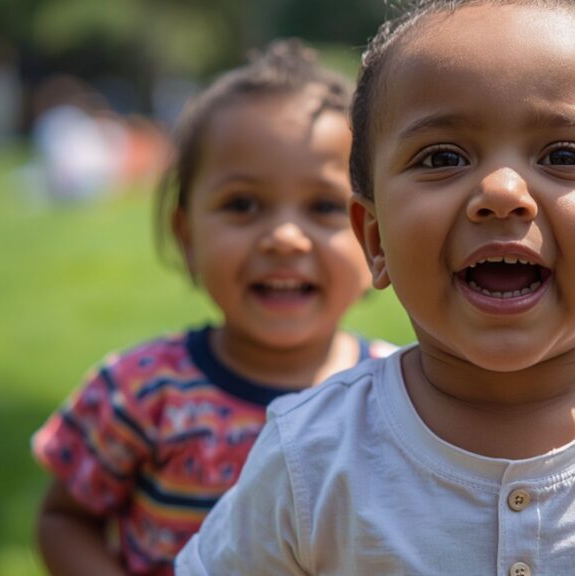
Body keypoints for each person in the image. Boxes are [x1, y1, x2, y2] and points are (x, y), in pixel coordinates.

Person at [176, 1, 575, 574]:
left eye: (563, 155)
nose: (502, 192)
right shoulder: (312, 457)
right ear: (374, 239)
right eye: (443, 158)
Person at [31, 39, 394, 576]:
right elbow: (65, 519)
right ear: (187, 237)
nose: (285, 238)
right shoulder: (141, 389)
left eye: (322, 206)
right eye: (242, 205)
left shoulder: (399, 398)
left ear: (373, 236)